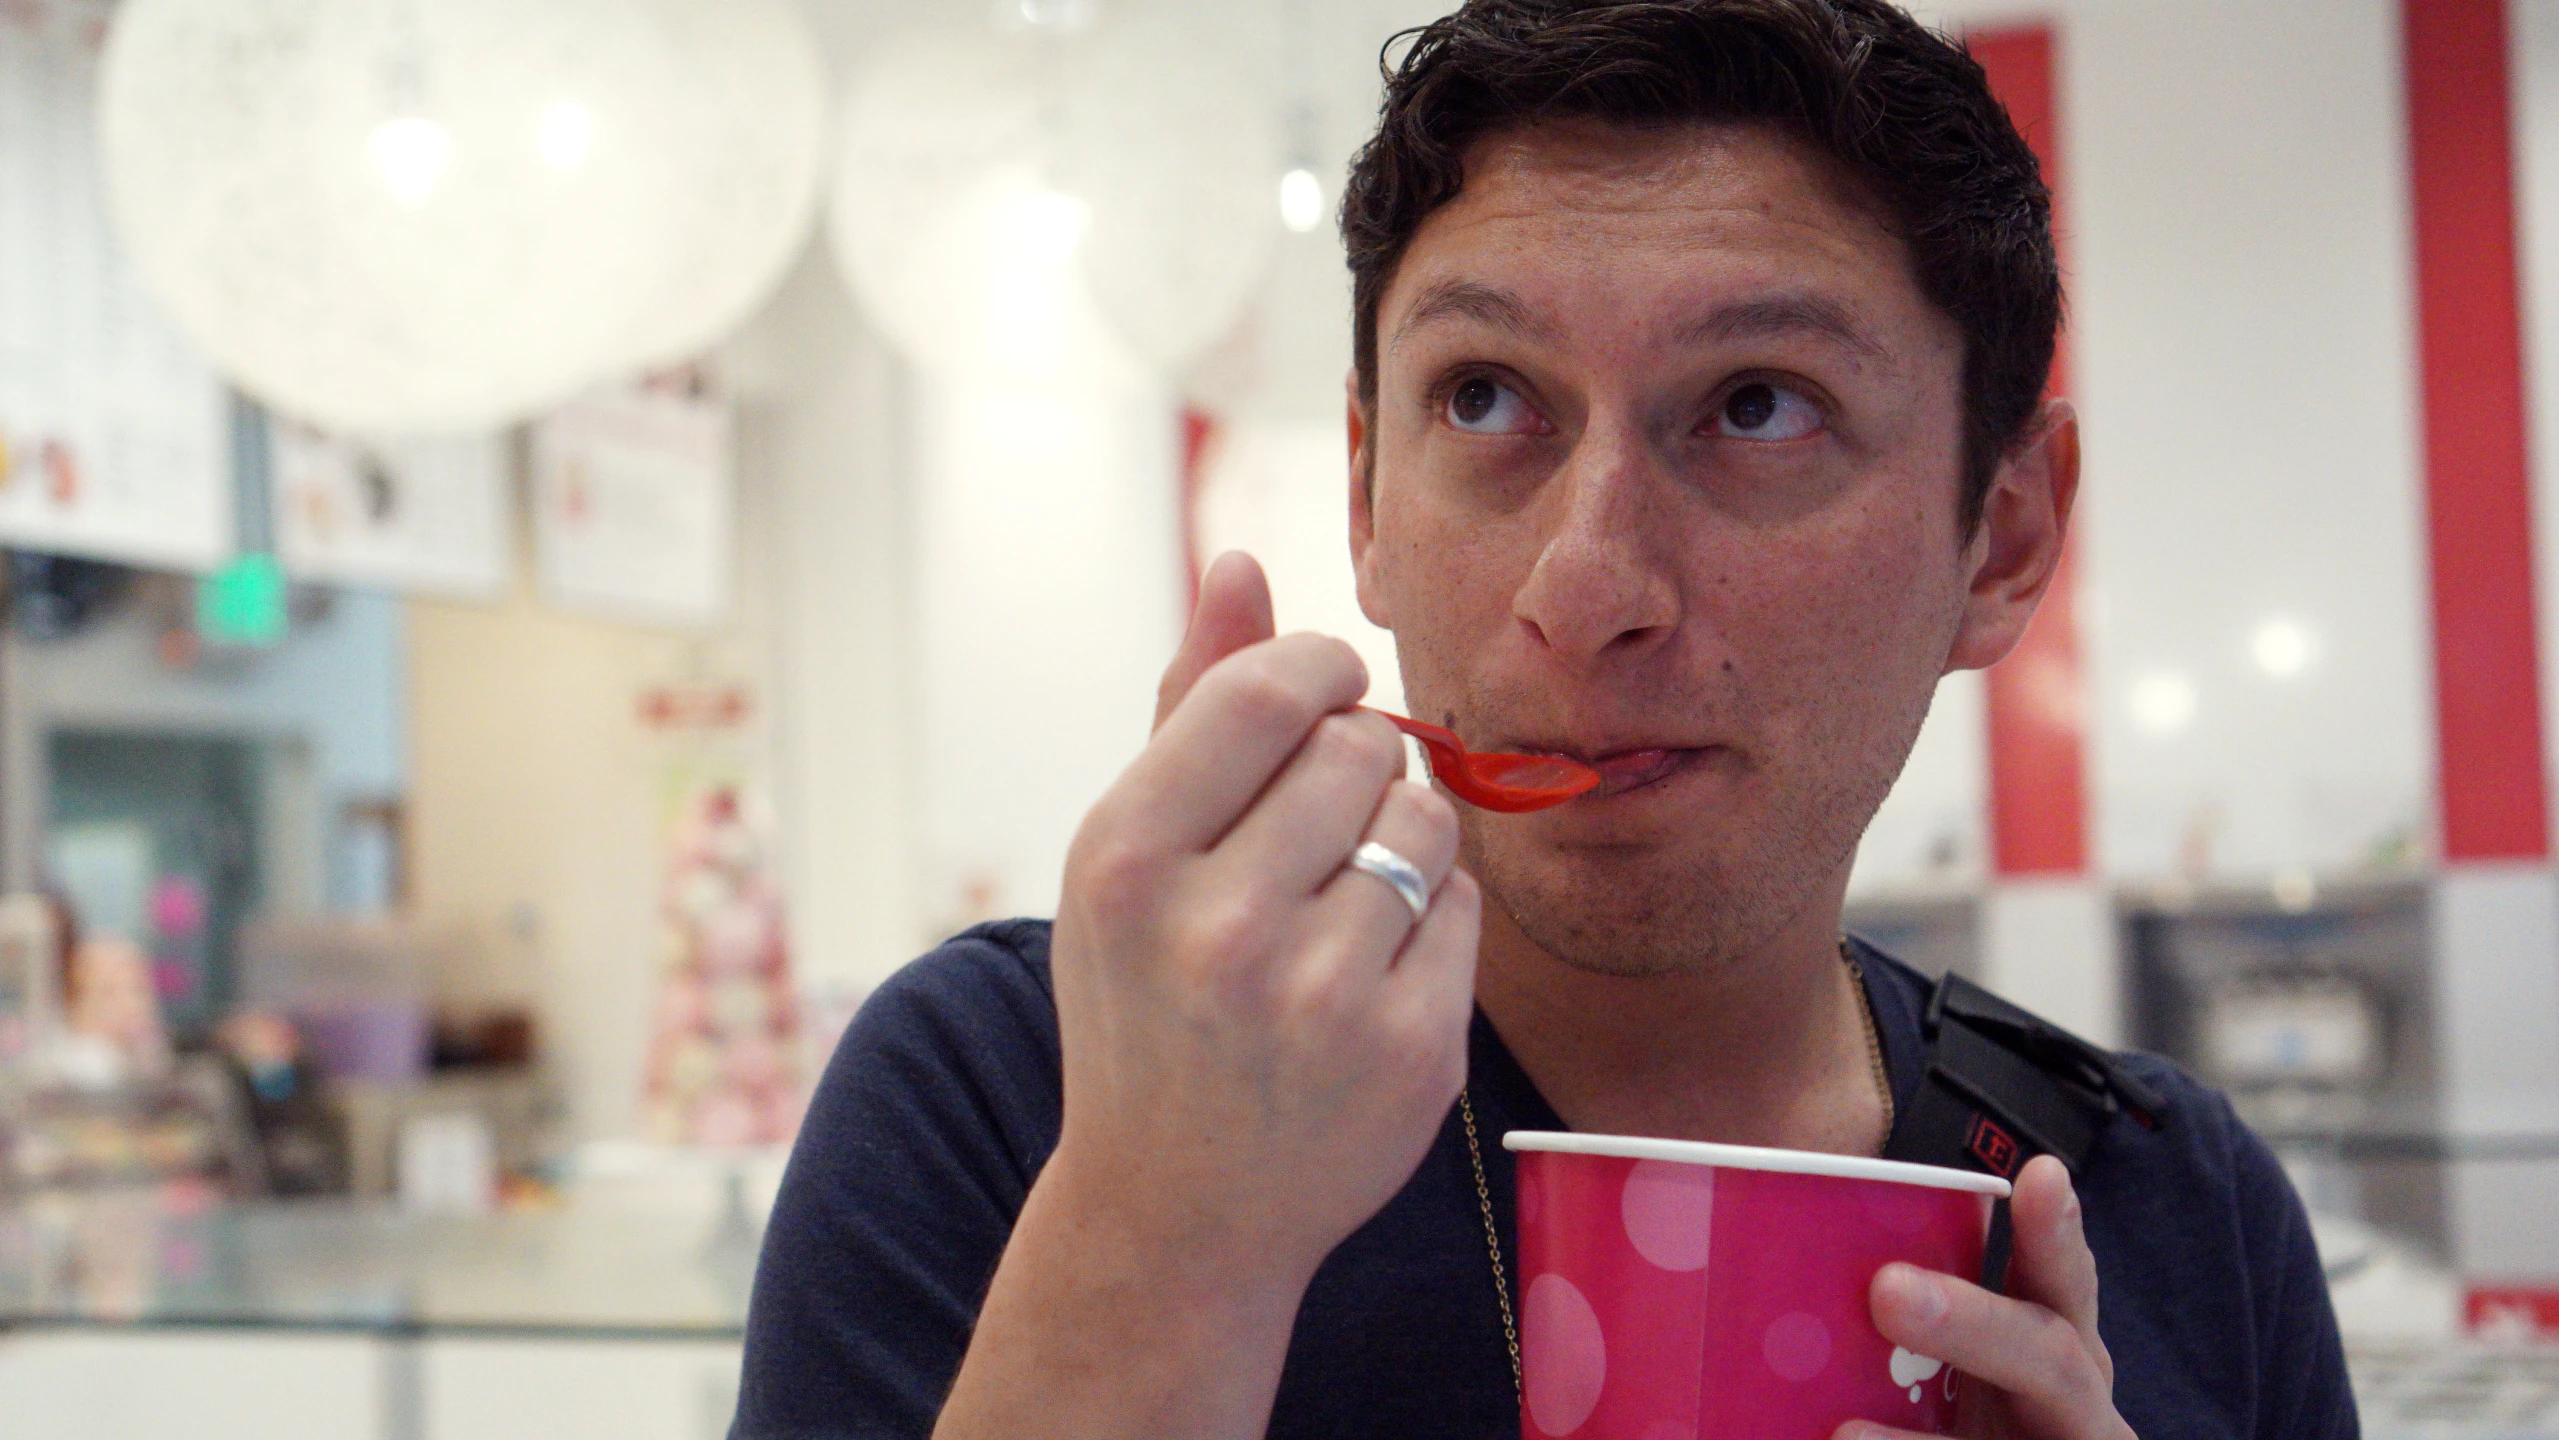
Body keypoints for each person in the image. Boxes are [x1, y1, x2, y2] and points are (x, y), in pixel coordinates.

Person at [734, 1, 2357, 1437]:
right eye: (1485, 397)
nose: (1584, 585)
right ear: (1366, 496)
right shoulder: (1022, 1096)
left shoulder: (2173, 1207)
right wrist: (1161, 1243)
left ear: (1998, 540)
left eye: (1755, 407)